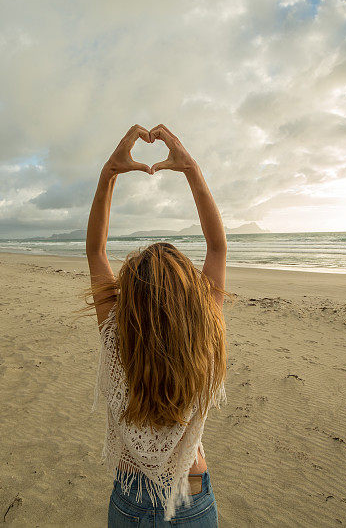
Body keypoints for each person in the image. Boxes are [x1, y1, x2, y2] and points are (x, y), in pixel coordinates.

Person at [84, 124, 230, 526]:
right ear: (192, 300)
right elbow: (217, 246)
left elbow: (96, 249)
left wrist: (109, 173)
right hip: (191, 493)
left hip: (131, 494)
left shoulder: (116, 335)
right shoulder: (203, 331)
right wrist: (190, 169)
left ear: (131, 297)